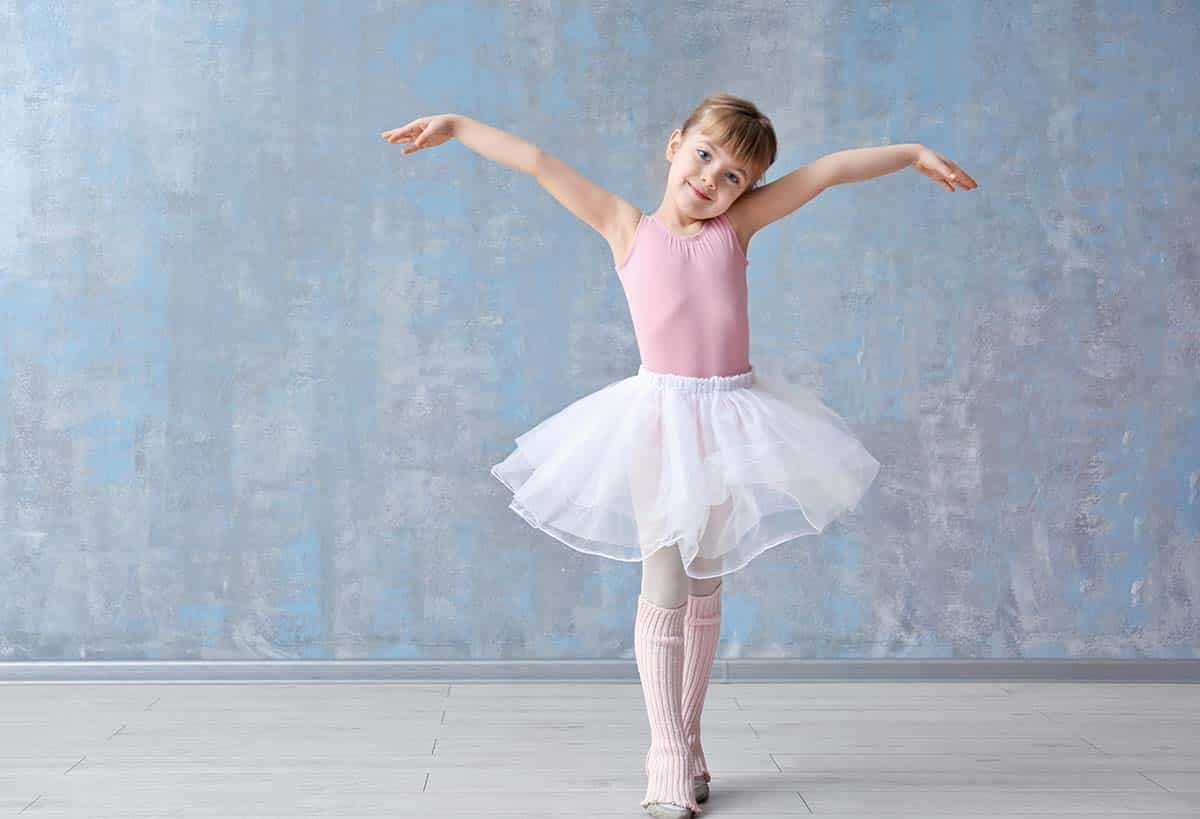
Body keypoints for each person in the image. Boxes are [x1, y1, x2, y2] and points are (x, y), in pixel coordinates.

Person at [382, 94, 977, 819]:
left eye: (733, 176)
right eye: (704, 156)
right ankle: (663, 750)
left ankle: (691, 739)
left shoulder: (738, 228)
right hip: (659, 421)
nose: (711, 180)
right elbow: (539, 163)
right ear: (675, 145)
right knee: (663, 581)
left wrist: (912, 153)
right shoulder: (626, 227)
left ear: (746, 190)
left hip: (731, 420)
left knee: (704, 584)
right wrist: (457, 127)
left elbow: (826, 172)